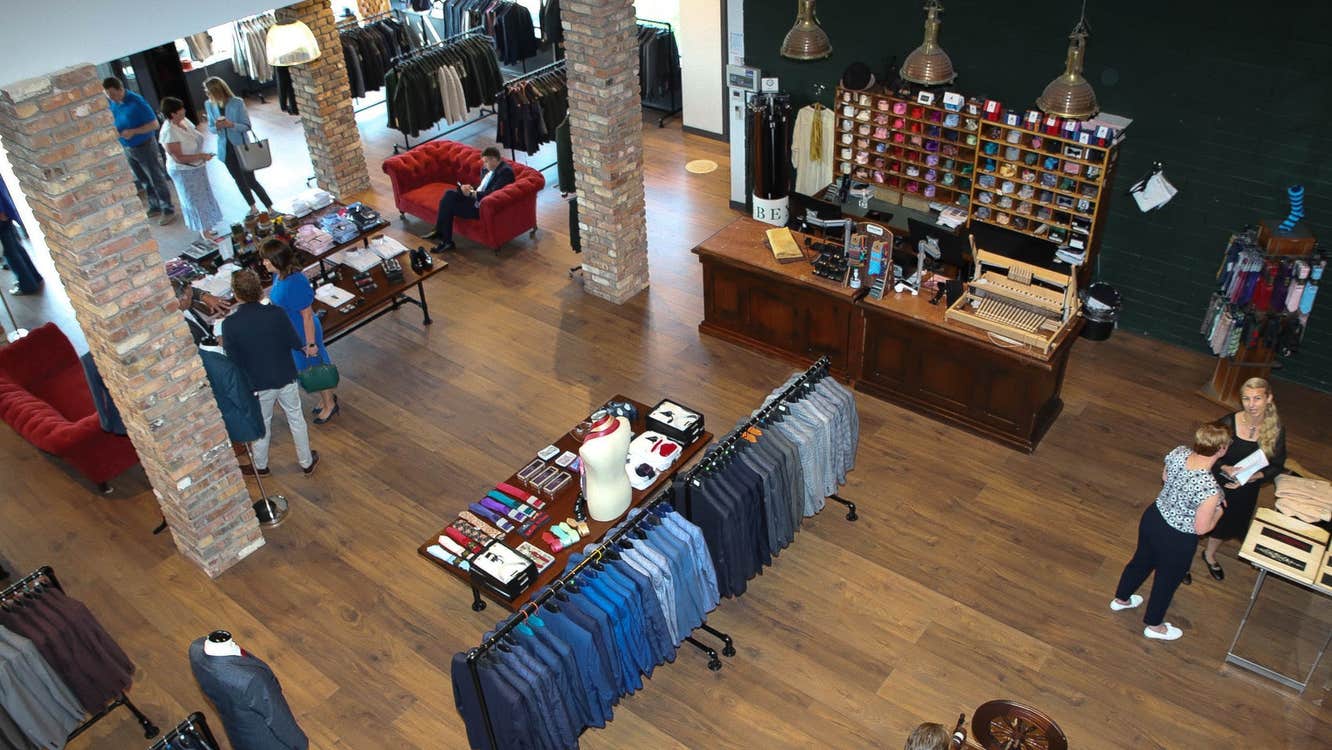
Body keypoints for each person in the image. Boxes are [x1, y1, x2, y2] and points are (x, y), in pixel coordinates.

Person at [1111, 422, 1229, 641]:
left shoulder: (1179, 452)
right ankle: (1154, 626)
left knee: (1140, 561)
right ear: (1221, 449)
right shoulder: (1210, 490)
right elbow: (1202, 528)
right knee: (1166, 581)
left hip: (1154, 517)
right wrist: (1219, 511)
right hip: (1178, 538)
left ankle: (1121, 599)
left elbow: (1166, 477)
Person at [221, 269, 319, 476]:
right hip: (285, 375)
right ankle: (306, 461)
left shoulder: (229, 324)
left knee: (262, 423)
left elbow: (233, 359)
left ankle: (261, 465)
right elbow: (293, 341)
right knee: (296, 418)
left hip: (258, 383)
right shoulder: (276, 313)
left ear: (236, 294)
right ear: (259, 290)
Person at [1201, 377, 1287, 581]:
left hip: (1245, 488)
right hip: (1215, 482)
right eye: (1246, 399)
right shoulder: (1228, 423)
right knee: (1199, 521)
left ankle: (1209, 554)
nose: (1251, 404)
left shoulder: (1276, 430)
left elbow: (1277, 465)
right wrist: (1224, 466)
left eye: (1257, 398)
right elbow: (1205, 450)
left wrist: (1256, 476)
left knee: (1227, 523)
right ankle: (1183, 560)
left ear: (1269, 398)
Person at [259, 239, 339, 423]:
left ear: (277, 260)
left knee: (316, 367)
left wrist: (310, 344)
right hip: (293, 332)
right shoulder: (279, 276)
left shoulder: (295, 282)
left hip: (304, 333)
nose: (264, 263)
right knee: (307, 367)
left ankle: (330, 403)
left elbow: (307, 316)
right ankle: (325, 398)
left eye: (267, 260)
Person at [103, 77, 176, 225]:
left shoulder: (137, 102)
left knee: (155, 177)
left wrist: (133, 131)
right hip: (128, 147)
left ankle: (168, 209)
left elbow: (154, 124)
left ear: (120, 89)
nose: (111, 98)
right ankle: (154, 206)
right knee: (143, 179)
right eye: (108, 95)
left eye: (113, 94)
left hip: (145, 145)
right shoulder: (114, 102)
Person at [203, 77, 274, 217]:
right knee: (239, 180)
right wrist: (217, 127)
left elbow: (247, 126)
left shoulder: (237, 103)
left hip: (241, 148)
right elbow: (211, 127)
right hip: (225, 149)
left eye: (208, 91)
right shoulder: (209, 104)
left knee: (250, 180)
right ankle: (253, 207)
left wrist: (231, 125)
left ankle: (269, 207)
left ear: (217, 91)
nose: (206, 93)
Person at [425, 145, 515, 252]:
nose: (484, 165)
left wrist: (472, 194)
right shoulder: (488, 169)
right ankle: (443, 237)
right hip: (476, 198)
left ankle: (444, 238)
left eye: (486, 162)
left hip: (483, 207)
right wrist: (470, 189)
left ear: (494, 159)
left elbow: (493, 193)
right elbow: (483, 186)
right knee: (449, 194)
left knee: (448, 205)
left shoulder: (505, 172)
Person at [158, 97, 224, 242]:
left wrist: (201, 156)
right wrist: (201, 156)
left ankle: (207, 226)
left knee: (204, 196)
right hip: (184, 171)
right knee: (194, 200)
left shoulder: (184, 121)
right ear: (172, 114)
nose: (184, 111)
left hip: (197, 166)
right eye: (180, 110)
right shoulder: (169, 131)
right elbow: (179, 158)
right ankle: (203, 231)